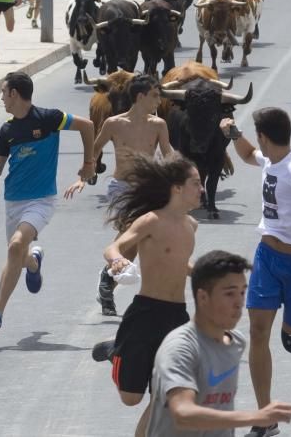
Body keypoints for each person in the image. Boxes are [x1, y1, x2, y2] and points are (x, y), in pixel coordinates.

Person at [219, 107, 291, 437]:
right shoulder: (269, 159)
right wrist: (232, 132)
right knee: (257, 332)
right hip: (267, 258)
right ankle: (265, 417)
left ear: (265, 136)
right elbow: (247, 155)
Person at [0, 71, 95, 335]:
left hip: (42, 200)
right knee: (19, 255)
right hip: (13, 202)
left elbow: (88, 126)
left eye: (3, 92)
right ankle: (34, 262)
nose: (1, 98)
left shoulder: (49, 119)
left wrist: (88, 164)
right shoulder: (7, 130)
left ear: (14, 93)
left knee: (15, 246)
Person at [92, 154, 202, 437]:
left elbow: (180, 263)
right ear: (177, 188)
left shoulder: (192, 225)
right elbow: (113, 247)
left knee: (165, 397)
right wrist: (117, 260)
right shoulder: (151, 221)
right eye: (195, 183)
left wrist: (208, 275)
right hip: (146, 314)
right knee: (131, 398)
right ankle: (117, 351)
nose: (201, 189)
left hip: (177, 318)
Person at [146, 250, 291, 437]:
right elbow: (183, 413)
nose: (239, 302)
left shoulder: (235, 343)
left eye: (243, 292)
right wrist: (255, 417)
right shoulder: (180, 348)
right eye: (229, 294)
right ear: (202, 297)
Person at [93, 75, 174, 316]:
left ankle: (107, 282)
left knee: (133, 245)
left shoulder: (159, 124)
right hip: (121, 189)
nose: (159, 100)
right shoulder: (113, 123)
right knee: (130, 232)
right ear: (140, 97)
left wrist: (181, 175)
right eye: (155, 96)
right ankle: (109, 277)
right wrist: (86, 172)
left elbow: (168, 154)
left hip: (147, 190)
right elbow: (95, 149)